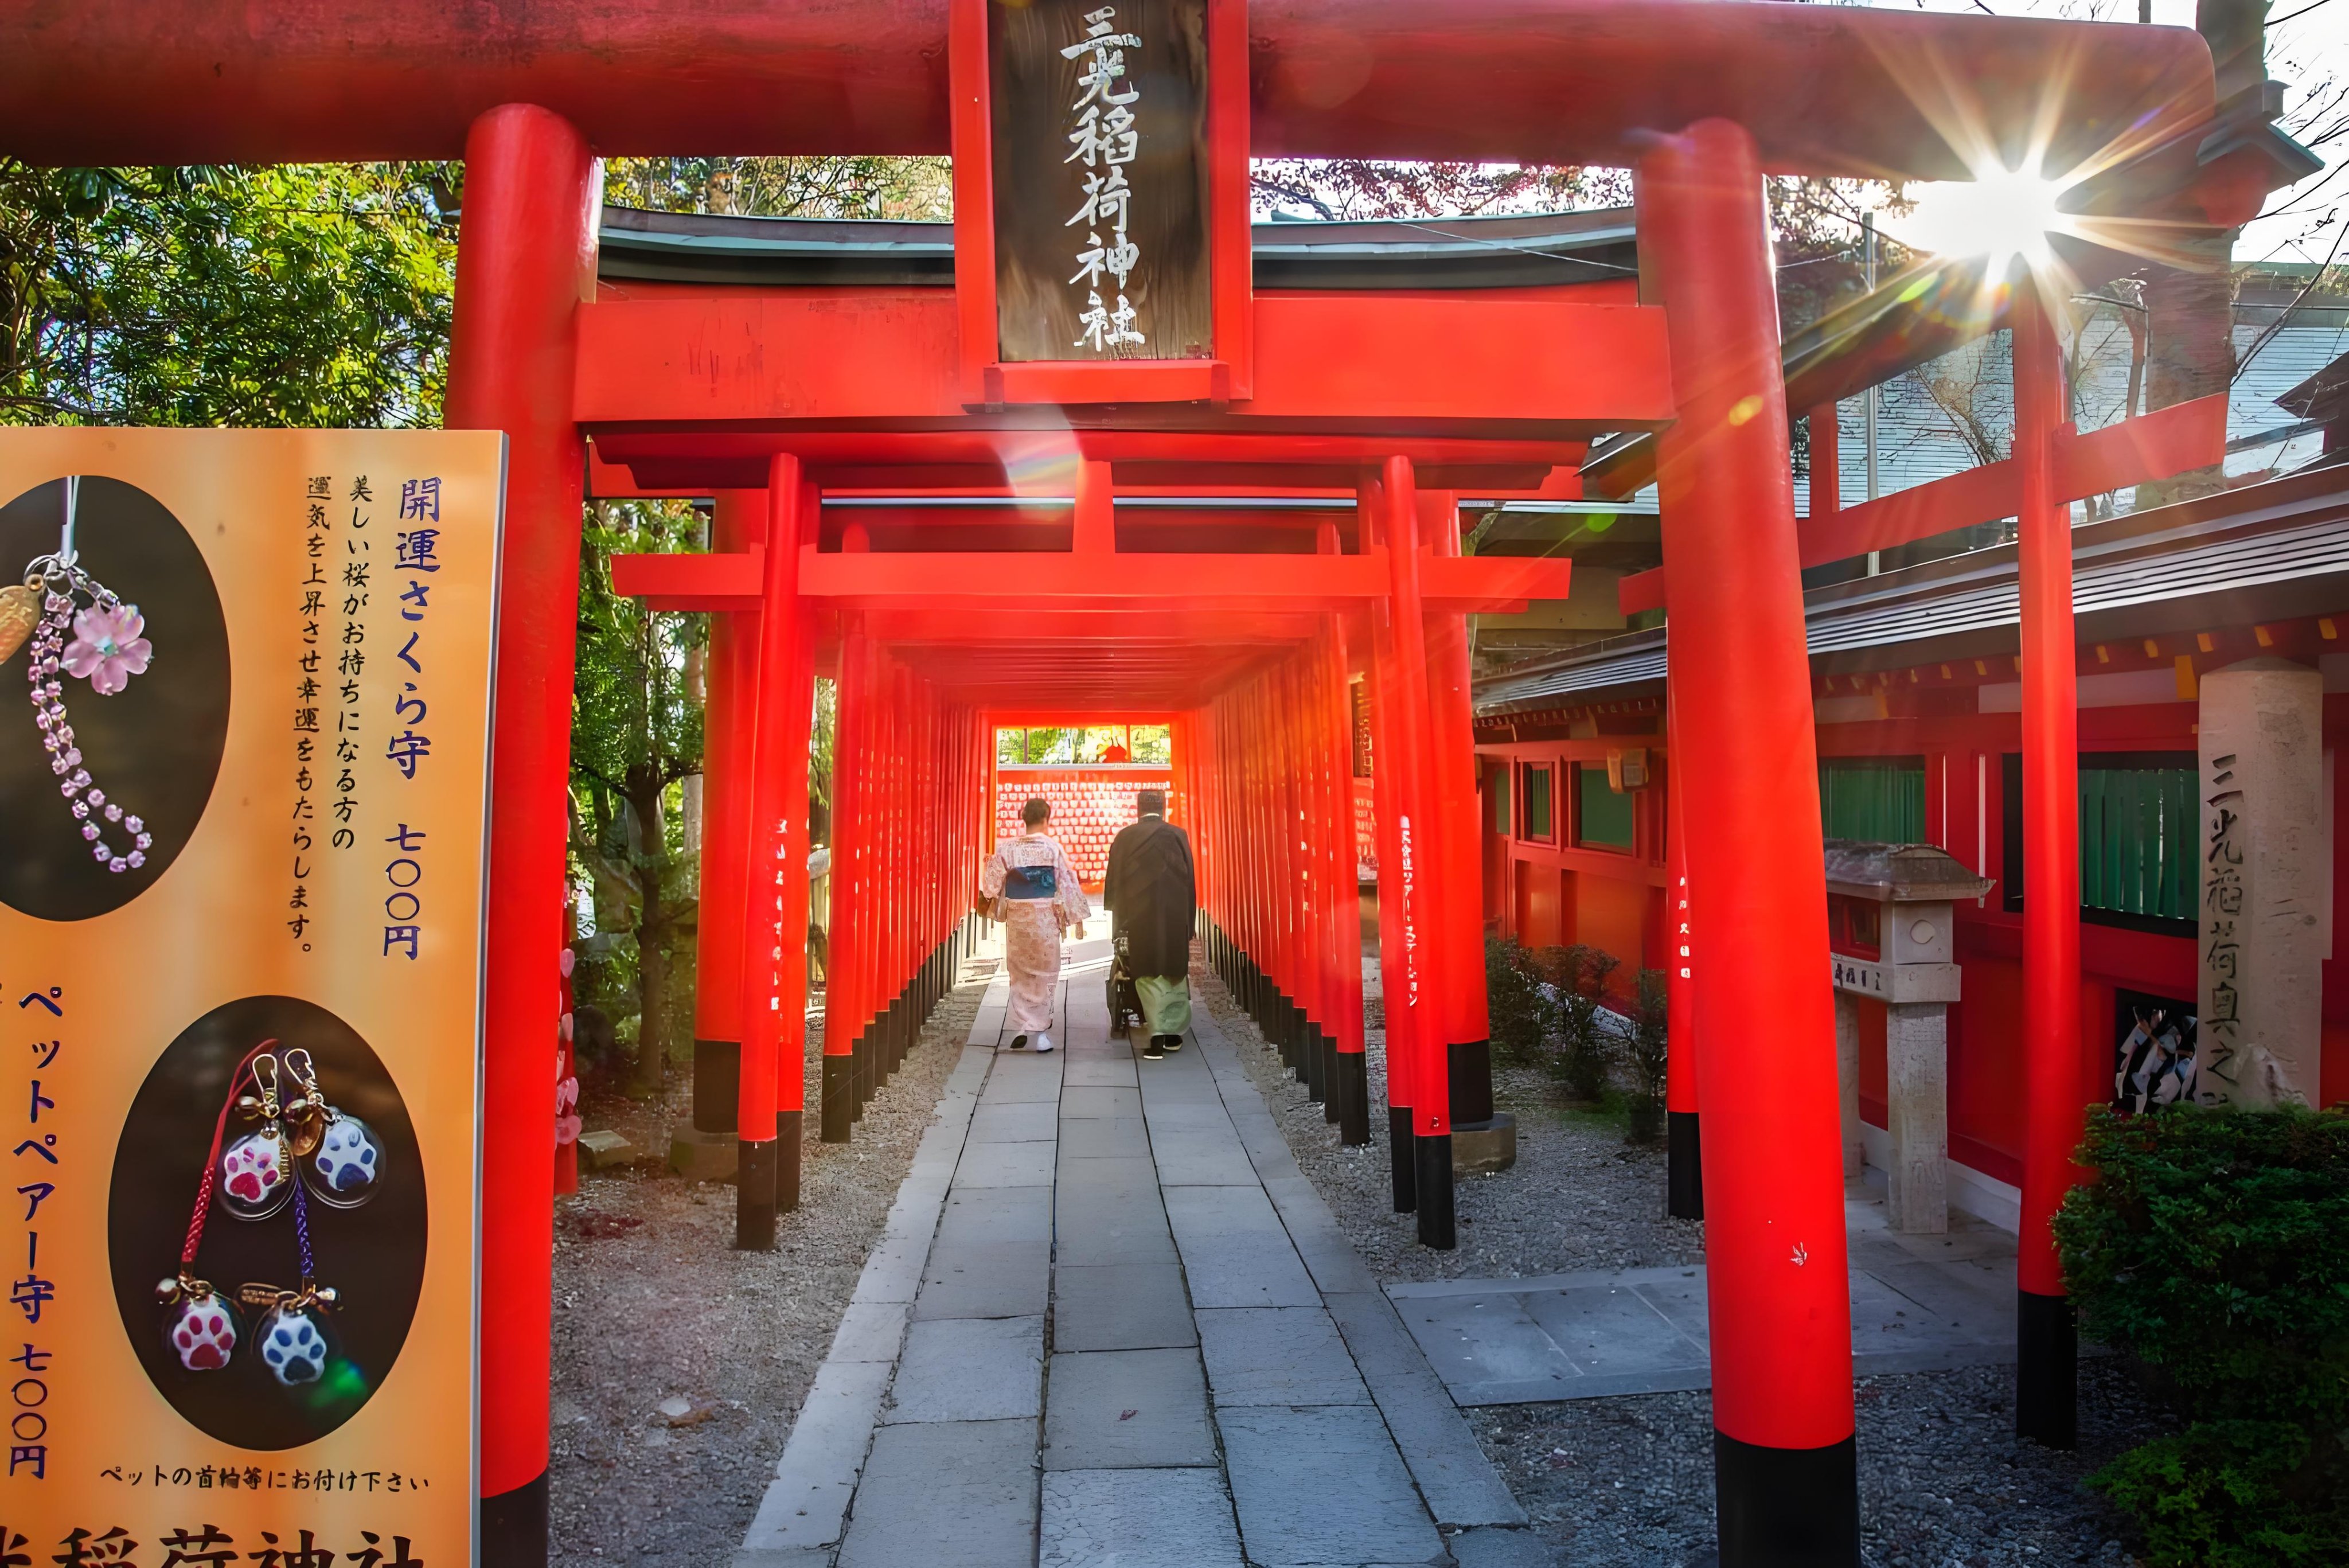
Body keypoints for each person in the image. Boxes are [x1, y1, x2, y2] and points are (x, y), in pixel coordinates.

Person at [980, 796, 1088, 1052]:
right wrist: (1076, 916)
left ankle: (1023, 1024)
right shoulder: (1053, 849)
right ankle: (1038, 1031)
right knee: (1046, 972)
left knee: (1020, 972)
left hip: (1019, 918)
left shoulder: (1008, 849)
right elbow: (1067, 883)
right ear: (1046, 819)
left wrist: (989, 892)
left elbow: (991, 885)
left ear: (1024, 819)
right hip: (1045, 918)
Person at [1103, 789, 1197, 1060]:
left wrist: (1118, 921)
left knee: (1146, 972)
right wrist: (1189, 922)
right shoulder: (1178, 835)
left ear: (1138, 809)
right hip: (1174, 917)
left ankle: (1156, 1036)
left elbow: (1114, 883)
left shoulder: (1125, 837)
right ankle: (1173, 1033)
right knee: (1173, 970)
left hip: (1139, 918)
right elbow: (1190, 882)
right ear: (1164, 808)